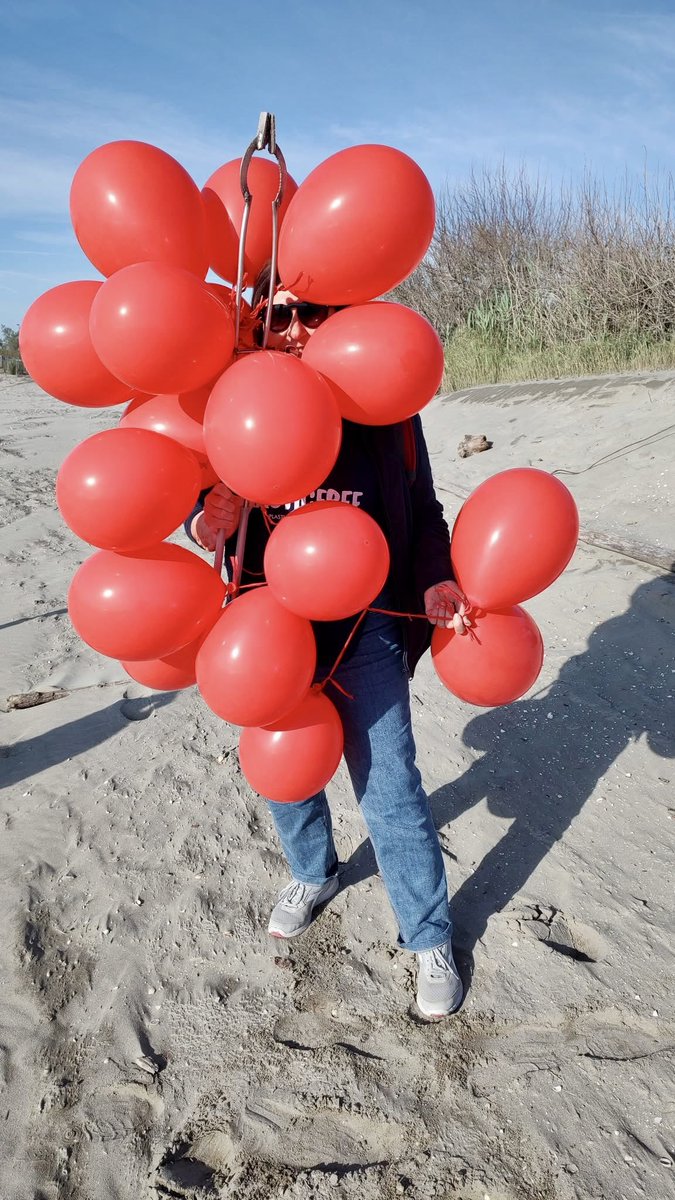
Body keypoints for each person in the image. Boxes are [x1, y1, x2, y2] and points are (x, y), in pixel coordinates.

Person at [186, 271, 470, 1018]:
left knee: (392, 787)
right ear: (258, 321)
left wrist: (436, 578)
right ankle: (314, 872)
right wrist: (209, 519)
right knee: (285, 771)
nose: (298, 328)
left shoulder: (379, 402)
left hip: (365, 624)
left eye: (315, 311)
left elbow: (423, 509)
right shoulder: (235, 399)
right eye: (281, 313)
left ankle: (429, 936)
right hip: (266, 623)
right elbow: (198, 508)